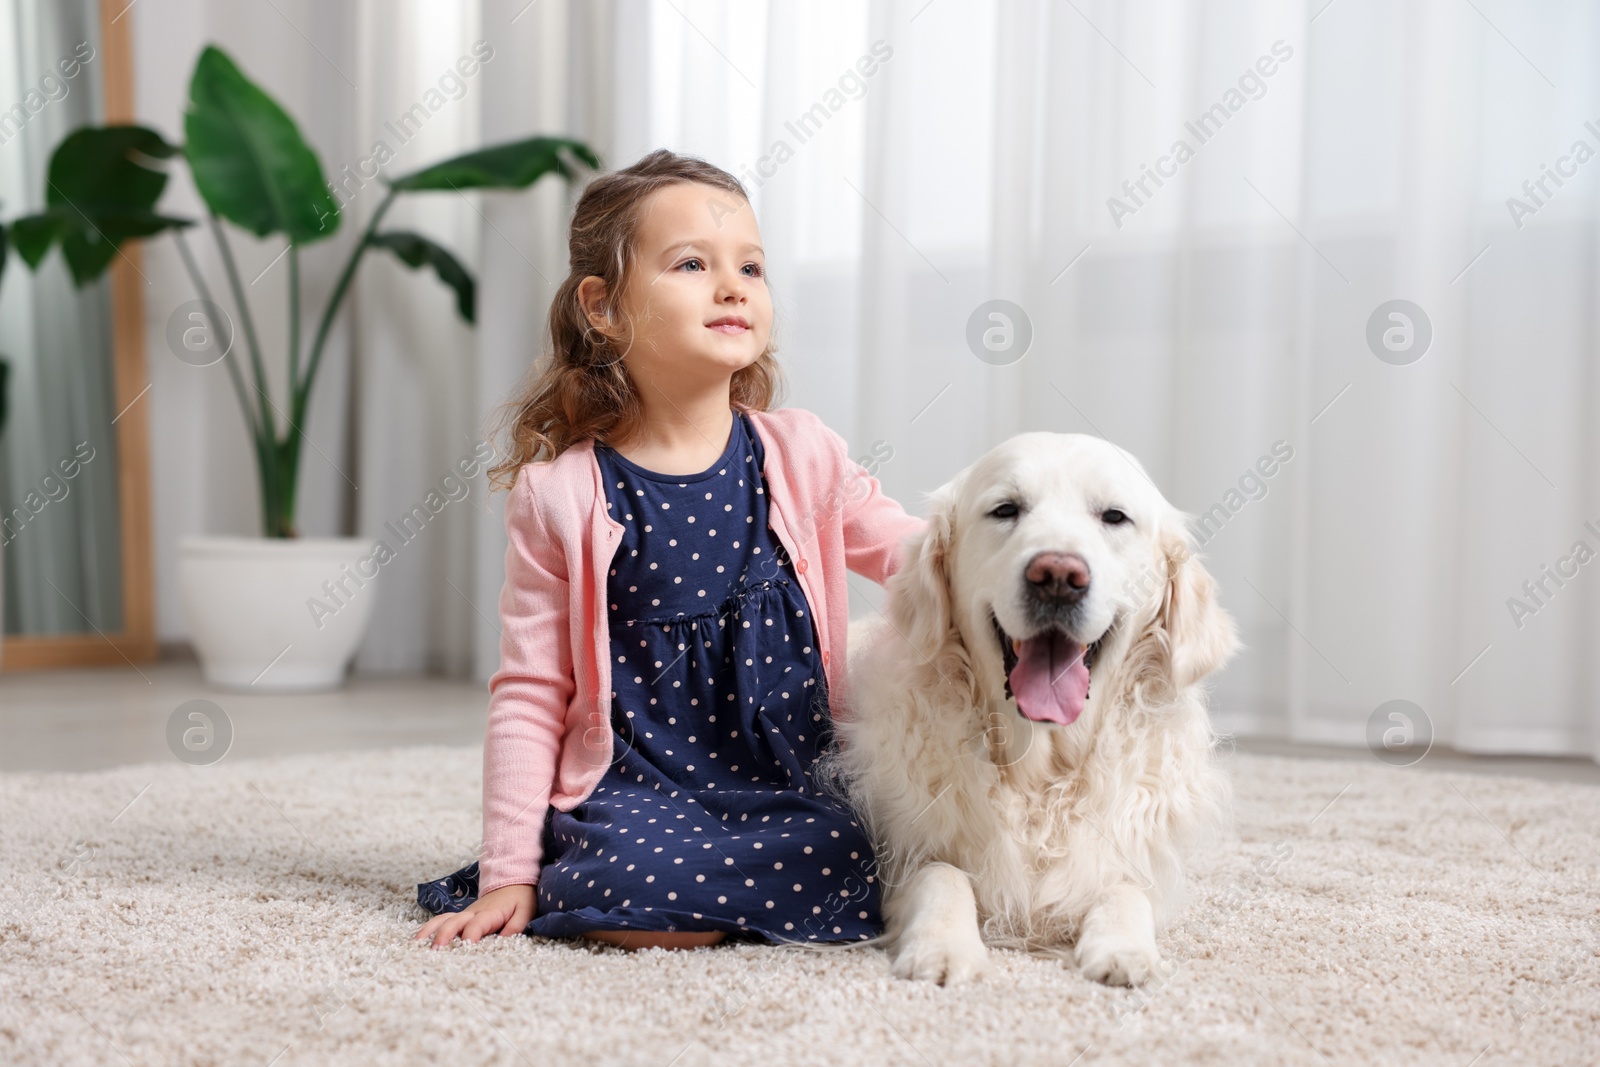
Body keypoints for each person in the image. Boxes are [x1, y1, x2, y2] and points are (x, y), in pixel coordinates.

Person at [412, 148, 926, 952]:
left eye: (751, 267)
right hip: (638, 789)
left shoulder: (804, 455)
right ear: (604, 307)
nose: (733, 286)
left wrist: (1015, 554)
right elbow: (530, 692)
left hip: (786, 783)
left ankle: (722, 900)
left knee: (861, 852)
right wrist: (509, 871)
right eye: (692, 263)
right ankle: (688, 900)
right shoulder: (562, 495)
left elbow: (919, 557)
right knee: (619, 884)